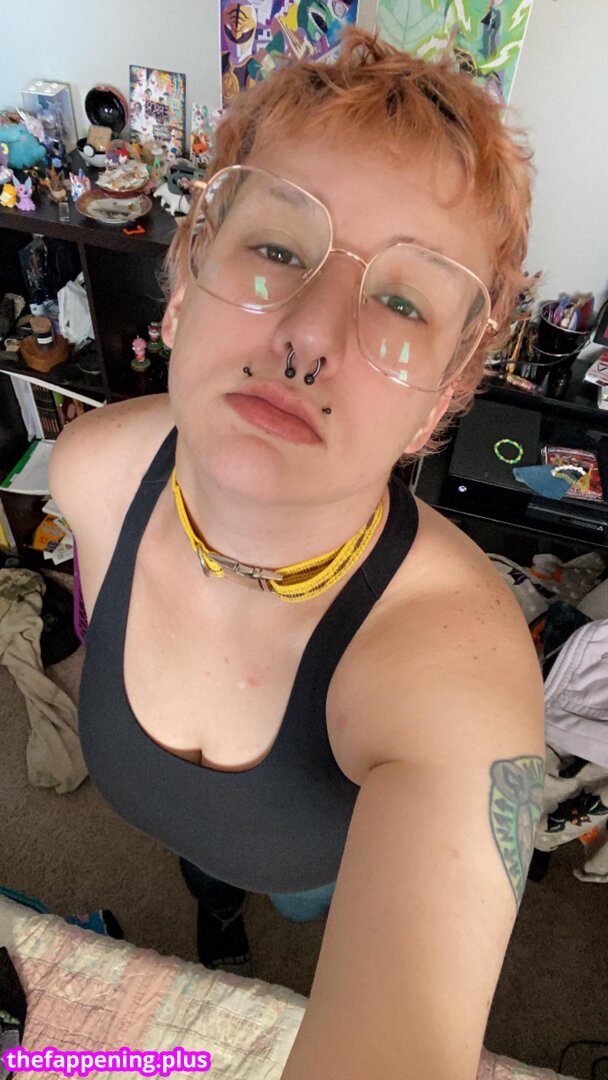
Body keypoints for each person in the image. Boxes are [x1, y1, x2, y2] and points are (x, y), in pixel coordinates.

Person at [49, 27, 544, 1080]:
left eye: (401, 302)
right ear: (184, 278)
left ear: (440, 405)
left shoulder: (456, 668)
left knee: (310, 900)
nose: (311, 332)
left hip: (317, 867)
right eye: (276, 248)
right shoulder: (88, 473)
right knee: (207, 875)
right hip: (176, 834)